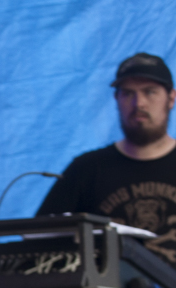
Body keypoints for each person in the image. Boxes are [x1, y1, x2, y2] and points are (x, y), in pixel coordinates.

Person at [37, 52, 176, 266]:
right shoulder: (86, 169)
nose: (139, 103)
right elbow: (39, 240)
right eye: (128, 93)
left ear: (171, 98)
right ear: (116, 99)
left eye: (150, 92)